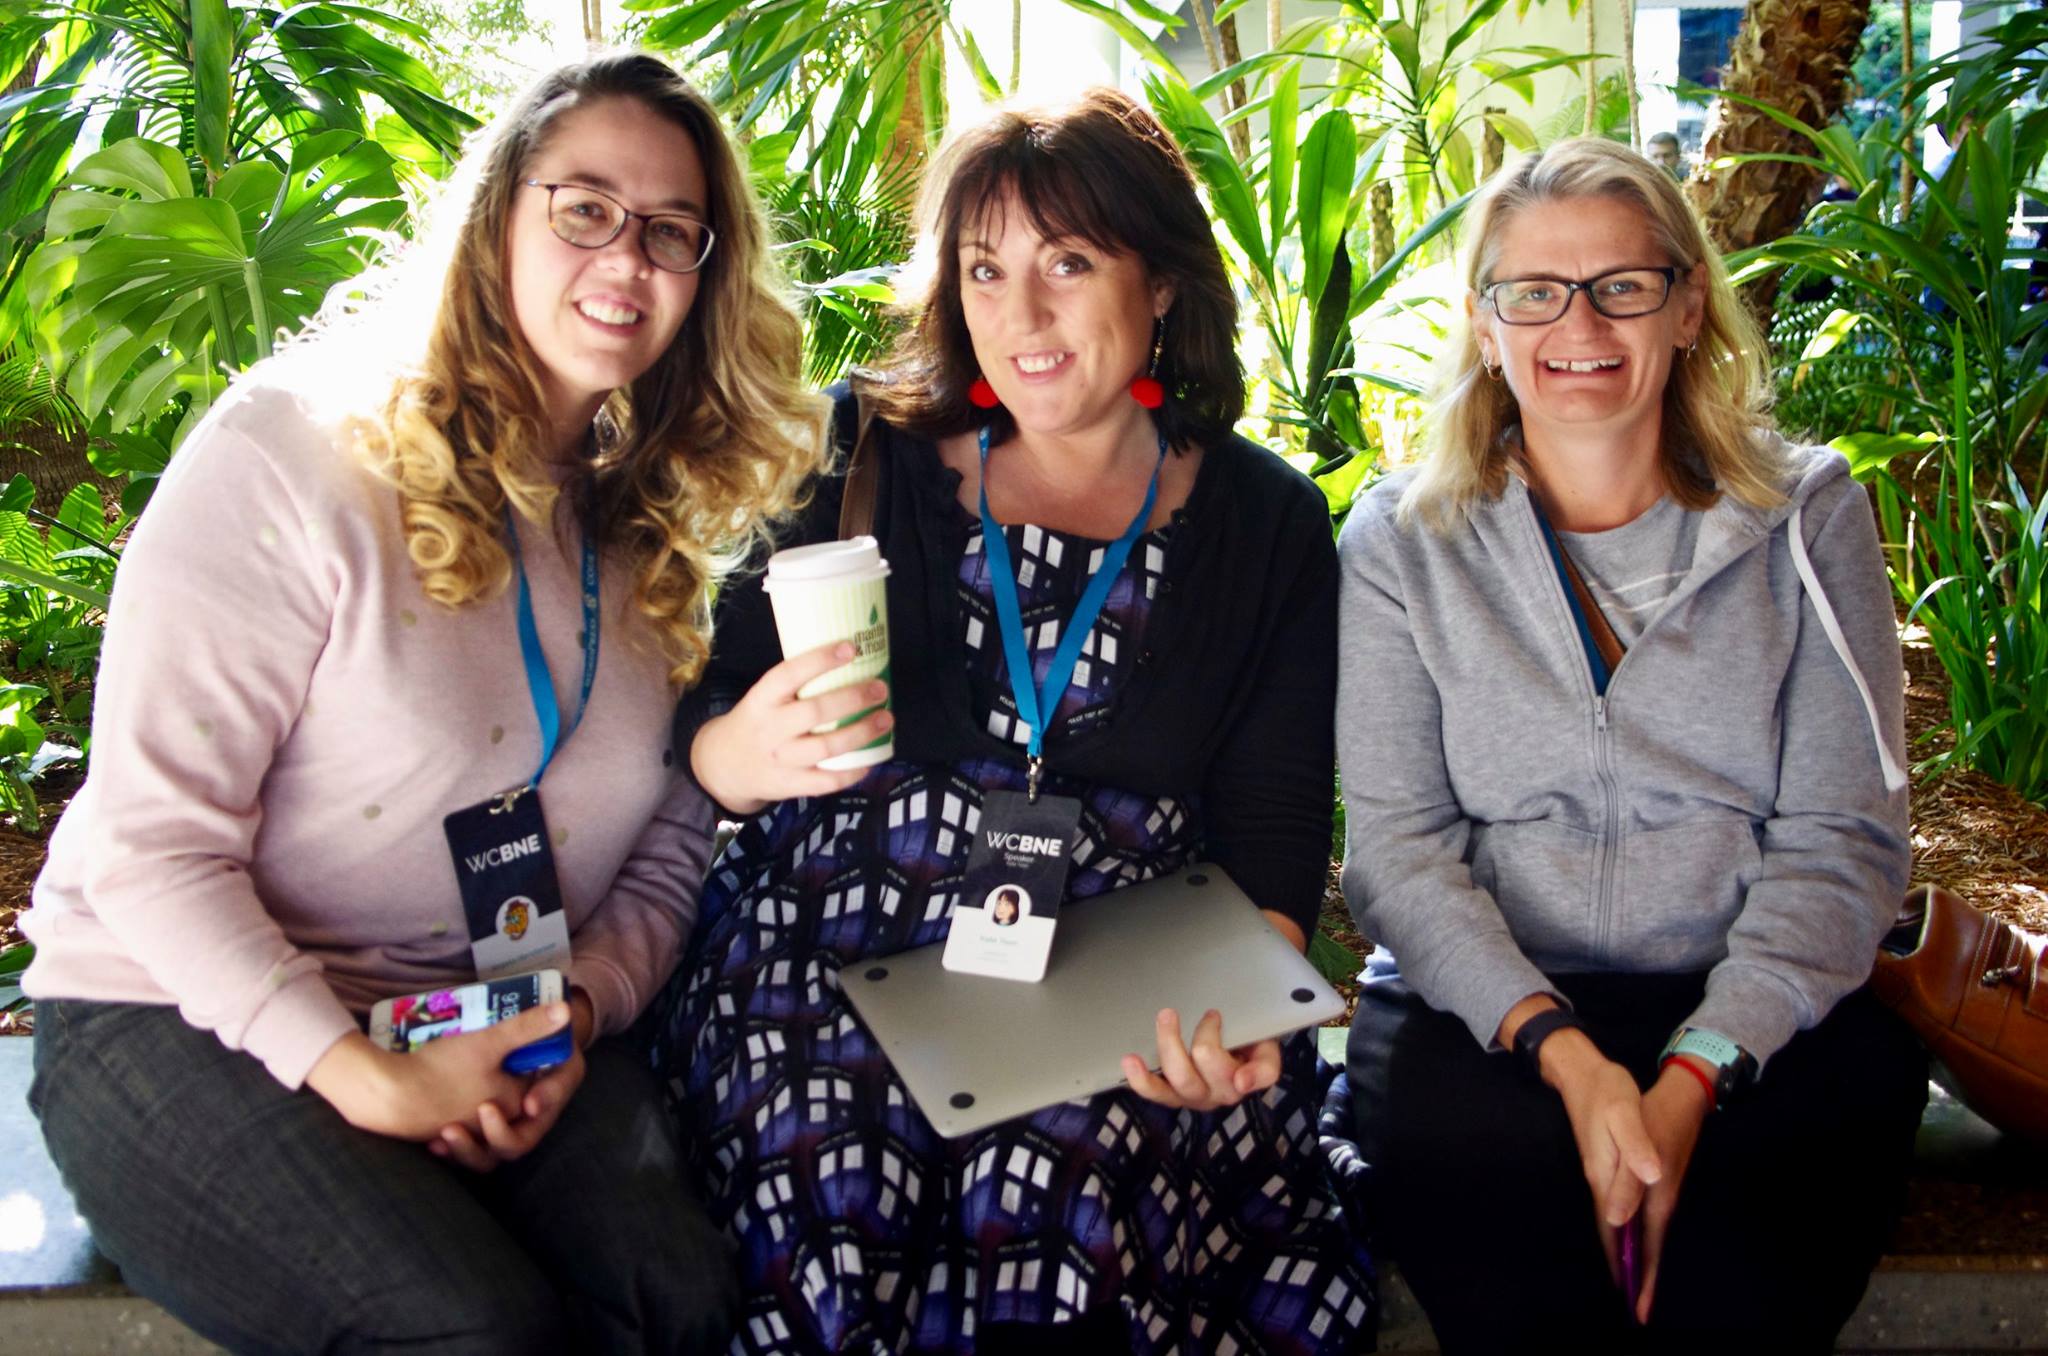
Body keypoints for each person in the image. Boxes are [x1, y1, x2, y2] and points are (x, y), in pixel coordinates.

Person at [21, 51, 827, 1354]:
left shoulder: (647, 534)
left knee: (675, 1297)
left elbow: (671, 840)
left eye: (671, 230)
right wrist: (368, 1081)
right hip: (169, 1011)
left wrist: (574, 1010)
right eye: (584, 208)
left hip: (483, 1013)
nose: (626, 257)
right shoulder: (290, 454)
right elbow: (148, 849)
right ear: (497, 212)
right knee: (469, 1330)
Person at [652, 89, 1375, 1355]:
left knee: (1061, 1174)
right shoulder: (851, 450)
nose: (1020, 317)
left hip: (1113, 952)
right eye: (984, 269)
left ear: (1160, 283)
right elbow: (705, 712)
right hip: (832, 939)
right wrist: (739, 755)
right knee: (827, 1175)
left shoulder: (1262, 519)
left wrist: (1244, 1008)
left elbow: (1269, 815)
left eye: (1068, 264)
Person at [1336, 137, 1926, 1353]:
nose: (1578, 324)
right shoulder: (1400, 539)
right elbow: (1397, 853)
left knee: (1764, 1228)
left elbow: (1844, 841)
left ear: (1685, 306)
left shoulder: (1803, 516)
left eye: (1620, 285)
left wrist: (1694, 1071)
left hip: (1748, 999)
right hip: (1491, 1008)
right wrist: (1567, 1057)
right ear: (1482, 323)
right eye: (1532, 291)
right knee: (1484, 1184)